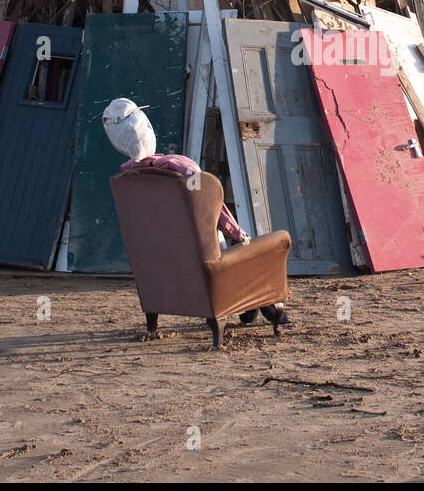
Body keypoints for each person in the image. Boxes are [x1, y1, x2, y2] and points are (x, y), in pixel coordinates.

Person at [102, 98, 288, 325]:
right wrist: (240, 235)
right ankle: (271, 307)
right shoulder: (183, 170)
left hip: (164, 272)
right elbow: (214, 210)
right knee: (270, 244)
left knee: (238, 257)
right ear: (147, 127)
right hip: (207, 266)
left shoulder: (127, 182)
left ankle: (252, 306)